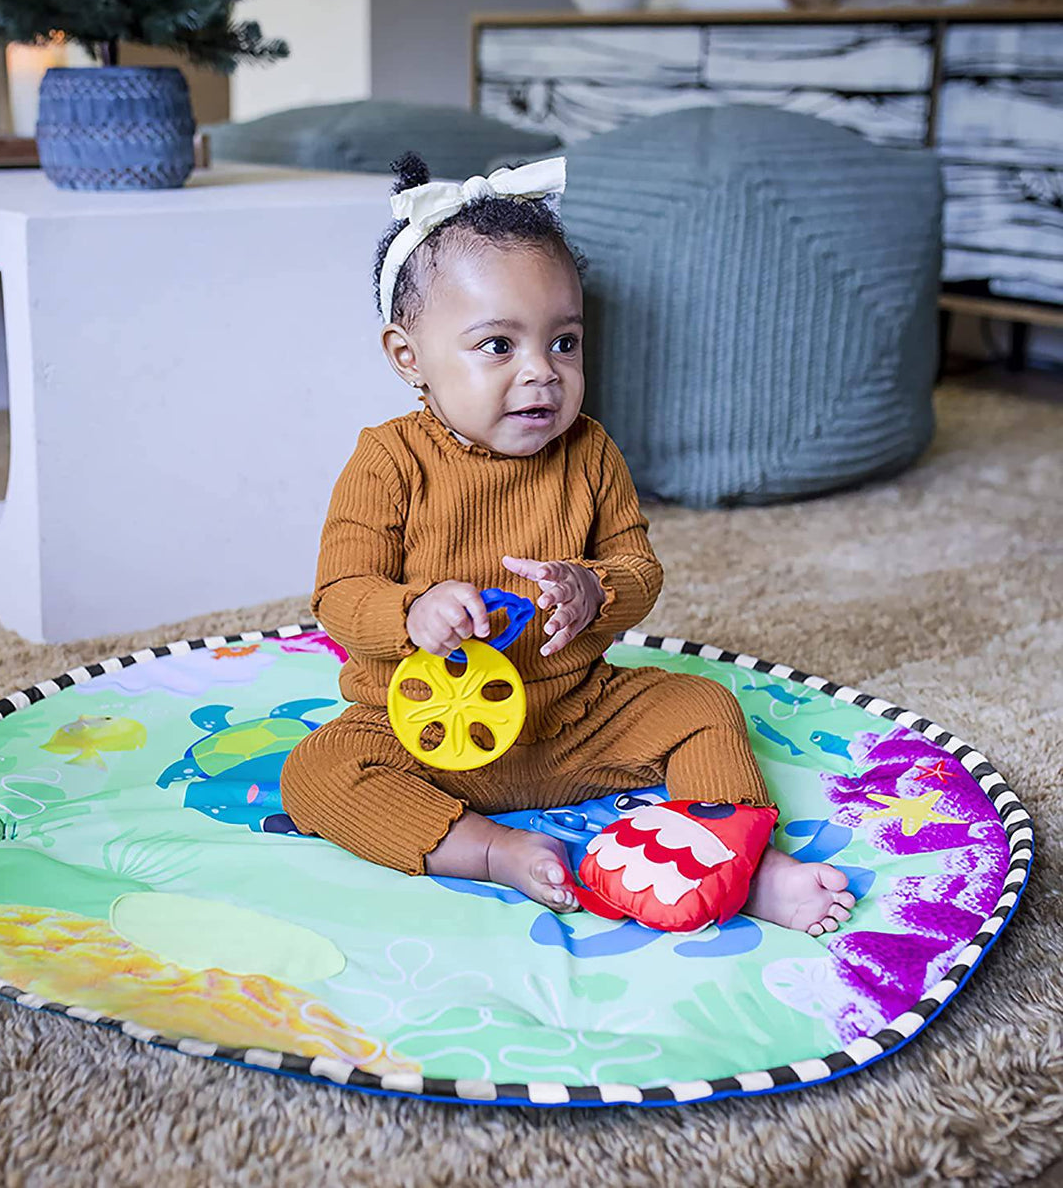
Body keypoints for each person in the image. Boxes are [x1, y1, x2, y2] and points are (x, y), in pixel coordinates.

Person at [280, 151, 855, 936]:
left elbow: (638, 568)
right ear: (407, 357)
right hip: (425, 734)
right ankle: (488, 850)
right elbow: (340, 594)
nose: (542, 374)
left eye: (564, 342)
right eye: (497, 346)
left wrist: (595, 590)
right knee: (317, 772)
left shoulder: (590, 452)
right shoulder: (387, 461)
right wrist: (411, 612)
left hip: (573, 719)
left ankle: (735, 861)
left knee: (703, 704)